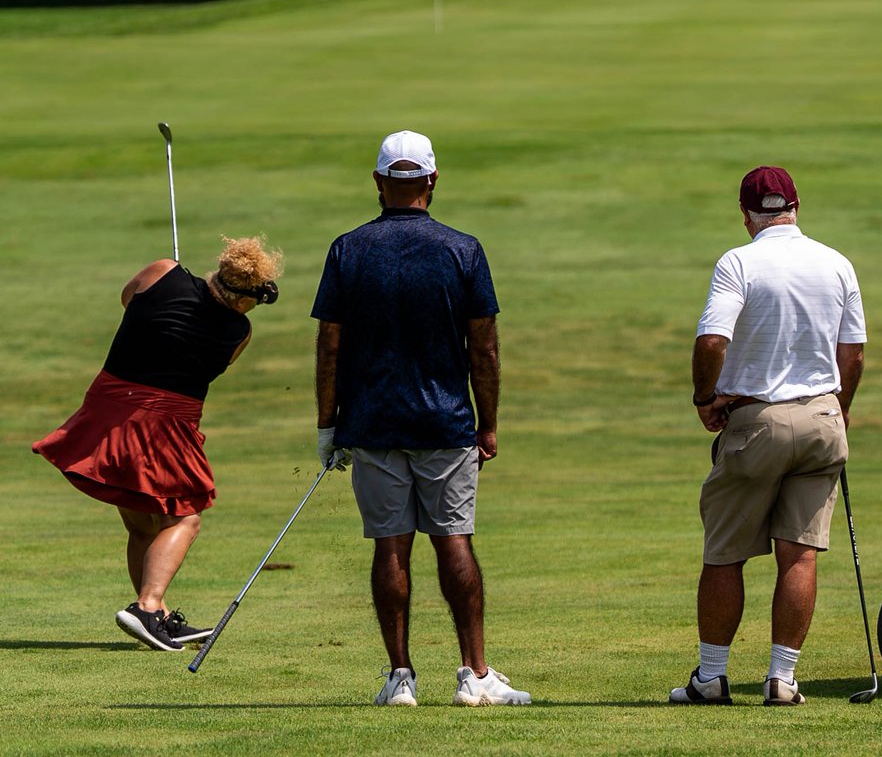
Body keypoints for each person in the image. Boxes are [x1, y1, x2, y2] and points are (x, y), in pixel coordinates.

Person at [312, 129, 531, 708]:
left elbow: (329, 346)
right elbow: (482, 347)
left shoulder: (347, 249)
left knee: (391, 547)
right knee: (453, 542)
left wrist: (327, 426)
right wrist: (488, 422)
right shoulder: (463, 249)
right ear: (432, 181)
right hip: (446, 422)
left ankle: (401, 678)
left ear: (380, 182)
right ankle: (475, 674)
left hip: (373, 425)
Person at [669, 166, 866, 707]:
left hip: (758, 422)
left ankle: (711, 679)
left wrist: (704, 398)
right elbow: (852, 354)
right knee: (799, 555)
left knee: (725, 554)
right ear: (796, 206)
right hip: (824, 419)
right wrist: (840, 408)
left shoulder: (740, 261)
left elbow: (712, 340)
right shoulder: (836, 262)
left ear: (746, 215)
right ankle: (782, 679)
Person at [33, 236, 283, 653]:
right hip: (165, 424)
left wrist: (173, 286)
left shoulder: (163, 271)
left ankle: (159, 619)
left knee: (142, 524)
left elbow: (129, 299)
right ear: (243, 300)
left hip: (108, 408)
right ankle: (147, 606)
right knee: (186, 518)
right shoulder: (240, 331)